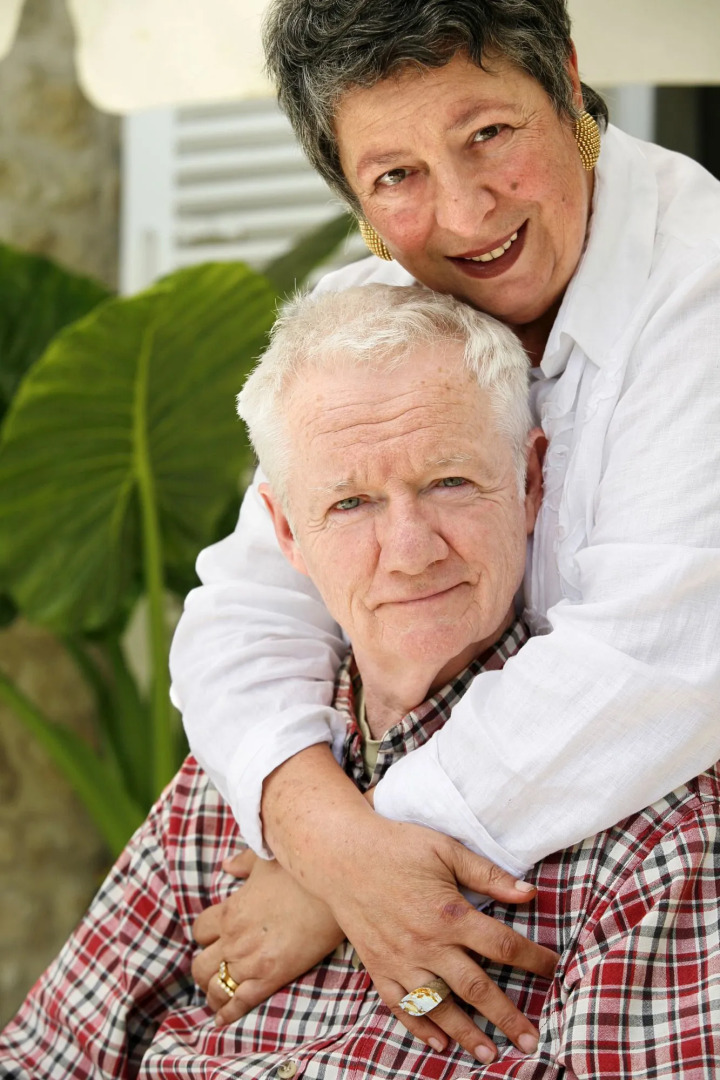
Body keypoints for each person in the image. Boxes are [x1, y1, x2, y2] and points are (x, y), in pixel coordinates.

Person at [169, 0, 720, 1055]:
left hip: (654, 898)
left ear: (563, 82)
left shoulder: (704, 294)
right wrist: (315, 828)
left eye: (488, 135)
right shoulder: (381, 308)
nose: (466, 215)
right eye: (396, 176)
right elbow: (246, 610)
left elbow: (658, 663)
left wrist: (345, 877)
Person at [3, 286, 719, 1080]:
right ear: (286, 535)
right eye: (351, 504)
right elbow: (41, 1057)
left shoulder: (655, 839)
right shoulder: (230, 787)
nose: (410, 550)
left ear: (530, 482)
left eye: (449, 482)